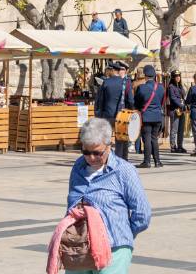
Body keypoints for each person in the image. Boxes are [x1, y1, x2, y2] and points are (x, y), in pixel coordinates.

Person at [63, 116, 152, 274]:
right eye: (86, 152)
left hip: (114, 248)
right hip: (77, 248)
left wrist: (121, 234)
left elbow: (142, 213)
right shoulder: (78, 166)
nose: (91, 158)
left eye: (97, 153)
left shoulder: (124, 171)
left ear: (109, 146)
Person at [93, 60, 131, 162]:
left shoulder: (106, 83)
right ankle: (120, 160)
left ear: (112, 70)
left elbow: (100, 100)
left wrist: (99, 114)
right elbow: (131, 100)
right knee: (121, 139)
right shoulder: (125, 83)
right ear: (118, 71)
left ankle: (105, 159)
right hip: (121, 115)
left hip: (107, 115)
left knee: (106, 139)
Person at [131, 64, 167, 169]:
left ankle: (147, 161)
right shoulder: (161, 88)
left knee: (146, 139)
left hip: (146, 116)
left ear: (145, 76)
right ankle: (157, 161)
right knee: (154, 139)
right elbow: (162, 102)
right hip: (157, 116)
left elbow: (136, 103)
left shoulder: (141, 88)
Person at [165, 71, 187, 154]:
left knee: (181, 129)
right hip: (175, 110)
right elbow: (173, 99)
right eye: (176, 76)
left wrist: (185, 104)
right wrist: (181, 105)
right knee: (174, 129)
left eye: (179, 76)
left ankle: (180, 146)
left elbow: (184, 96)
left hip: (182, 110)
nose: (178, 77)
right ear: (173, 77)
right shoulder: (171, 87)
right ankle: (173, 146)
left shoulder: (180, 86)